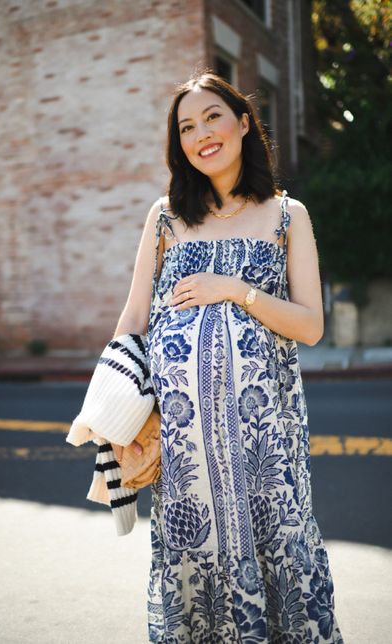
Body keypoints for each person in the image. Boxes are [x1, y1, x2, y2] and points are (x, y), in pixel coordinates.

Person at [110, 71, 344, 643]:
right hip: (187, 455)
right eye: (186, 127)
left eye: (213, 116)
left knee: (282, 565)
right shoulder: (165, 217)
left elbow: (311, 326)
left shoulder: (290, 217)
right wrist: (113, 407)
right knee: (193, 576)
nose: (201, 134)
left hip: (267, 447)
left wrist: (232, 289)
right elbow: (134, 316)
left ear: (243, 123)